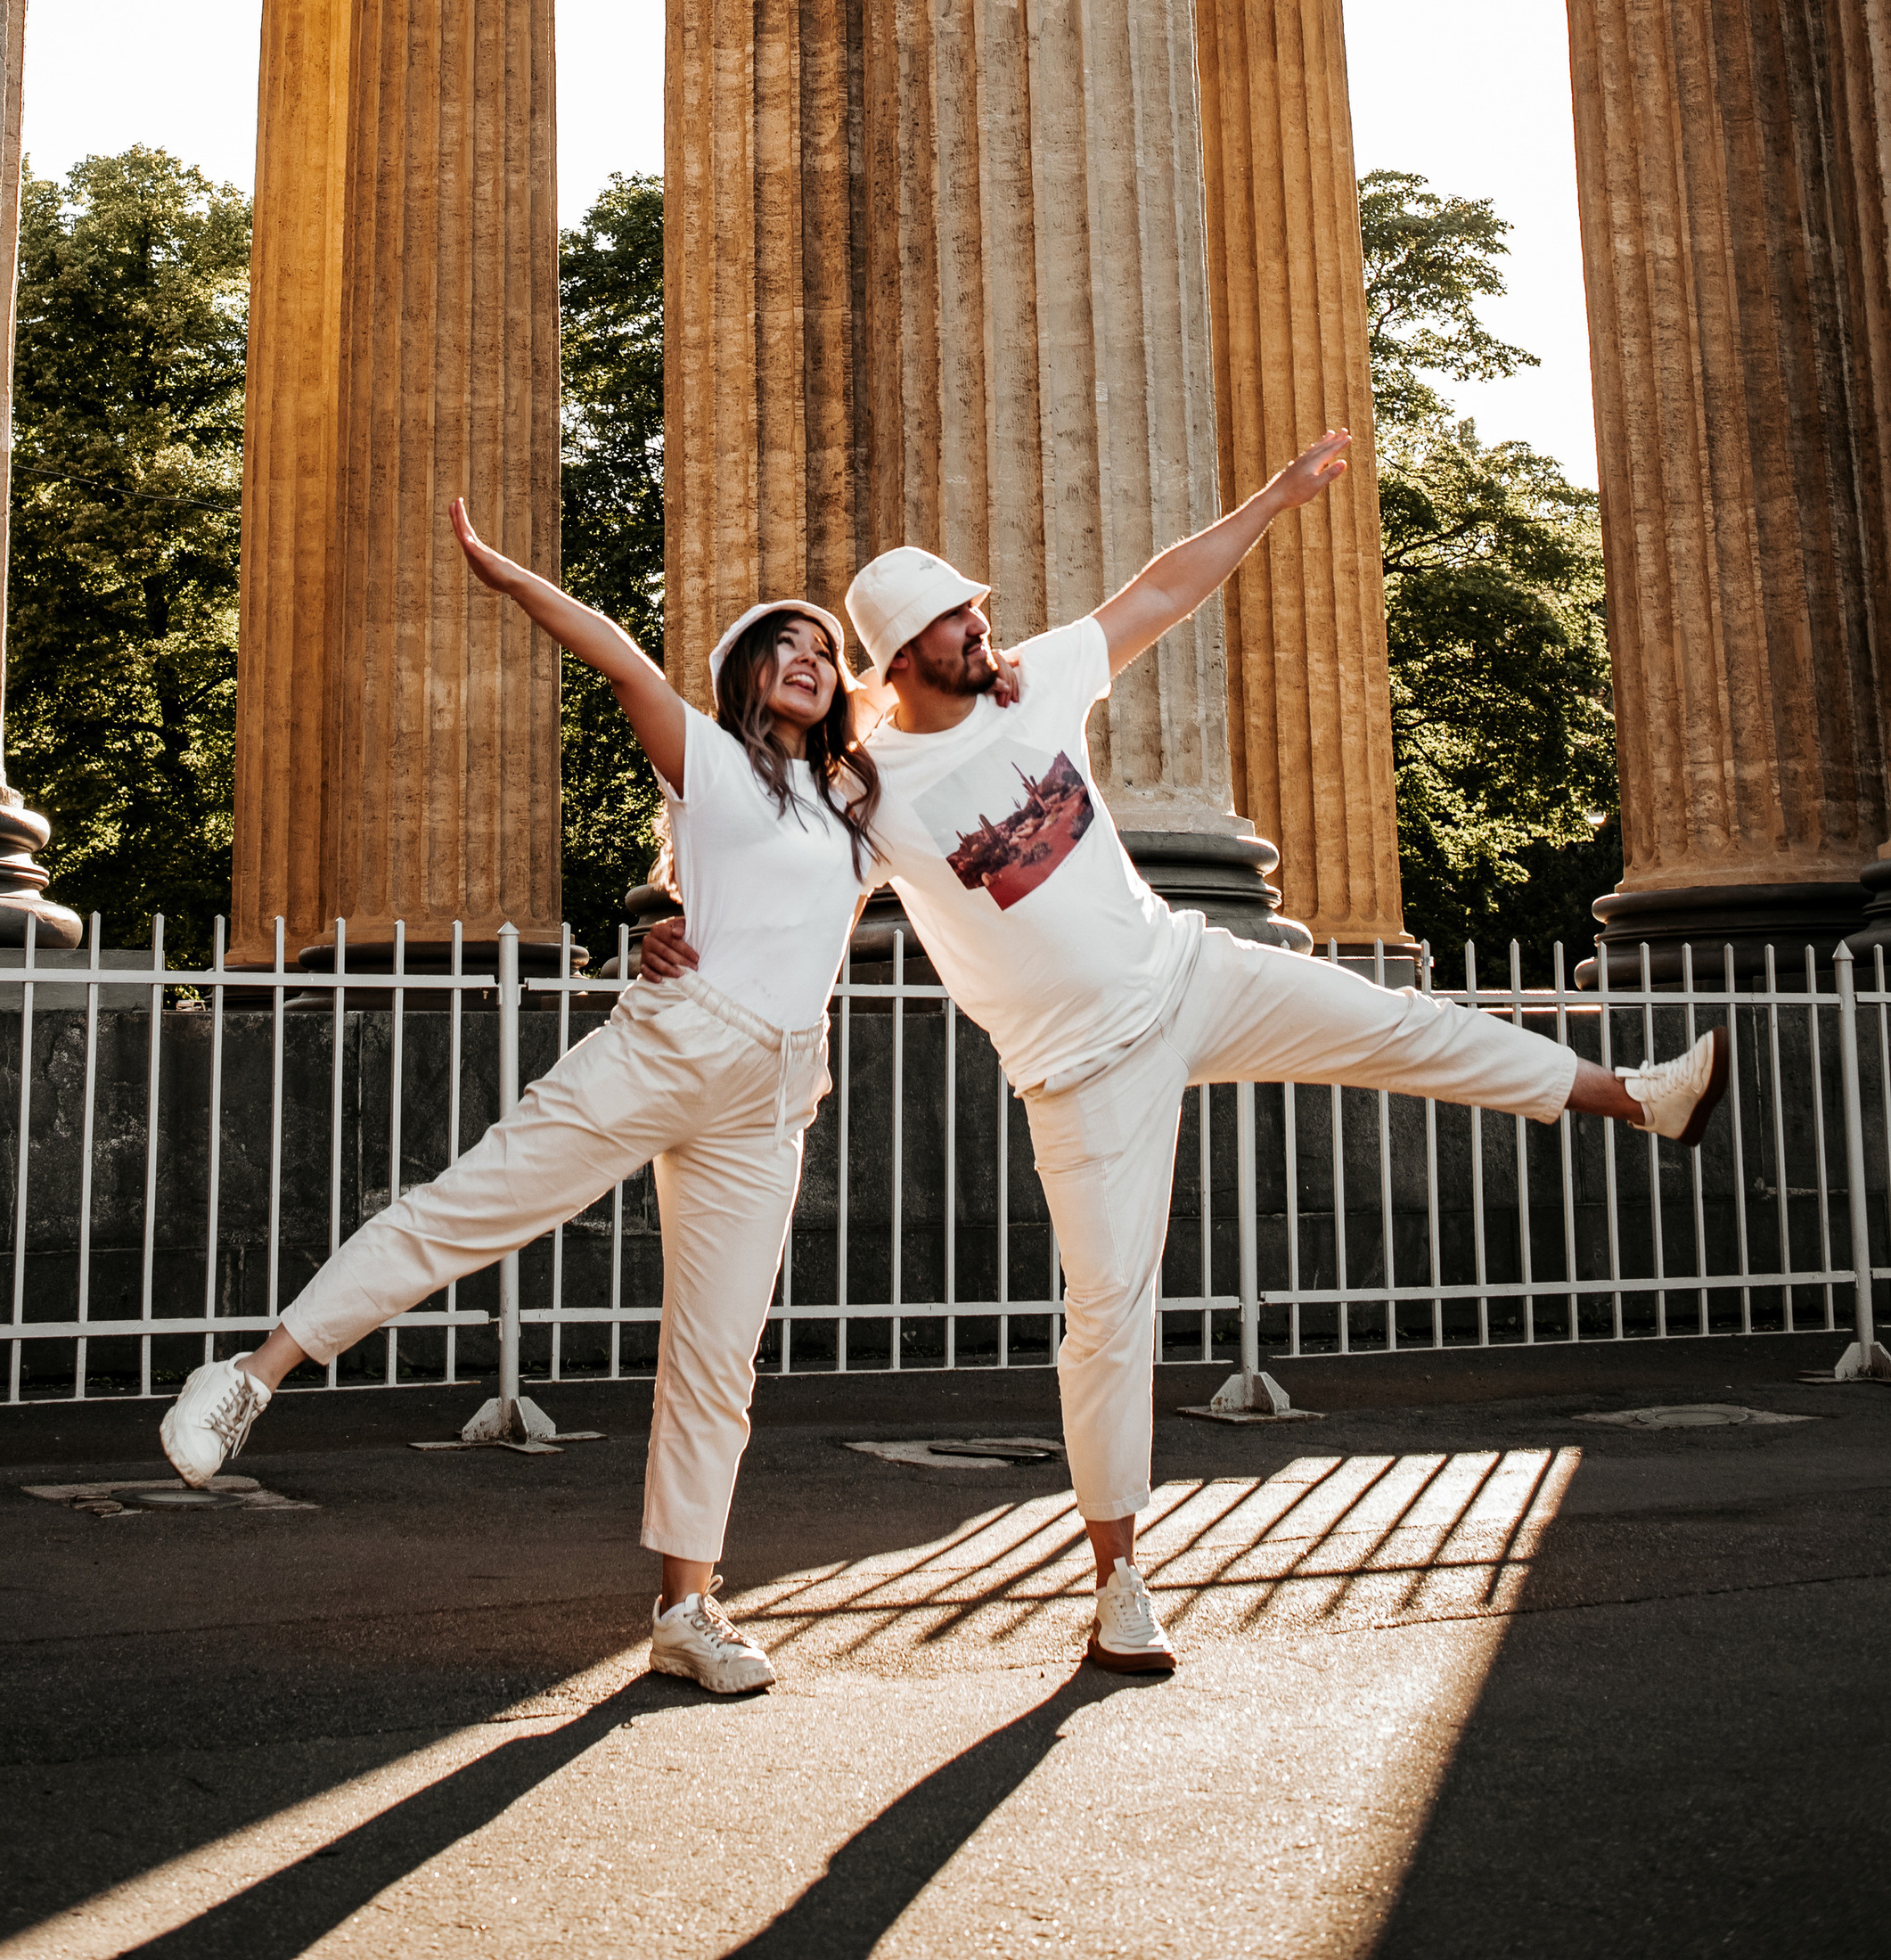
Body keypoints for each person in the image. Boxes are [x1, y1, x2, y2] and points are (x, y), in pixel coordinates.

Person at [643, 431, 1728, 1684]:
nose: (982, 624)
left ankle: (1640, 1097)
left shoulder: (1037, 683)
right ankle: (1119, 1585)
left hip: (1189, 973)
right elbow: (756, 840)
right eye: (957, 618)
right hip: (1082, 1070)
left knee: (1406, 1026)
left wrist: (1275, 497)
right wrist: (670, 916)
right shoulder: (870, 787)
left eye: (976, 609)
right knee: (1111, 1317)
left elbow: (1159, 591)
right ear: (903, 651)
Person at [156, 497, 905, 1698]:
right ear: (747, 674)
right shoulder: (710, 762)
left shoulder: (860, 805)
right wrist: (509, 578)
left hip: (774, 1090)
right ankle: (249, 1378)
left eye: (825, 648)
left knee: (719, 1356)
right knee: (467, 1209)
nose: (810, 658)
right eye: (786, 642)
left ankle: (686, 1610)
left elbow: (944, 712)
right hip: (672, 1045)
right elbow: (619, 654)